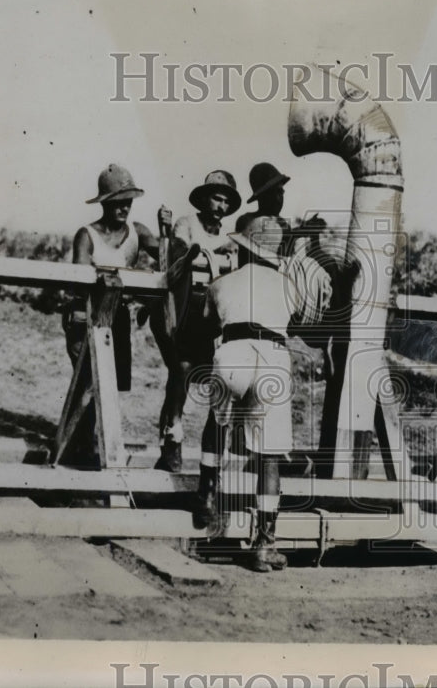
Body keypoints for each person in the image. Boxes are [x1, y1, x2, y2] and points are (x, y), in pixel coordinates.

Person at [194, 215, 323, 572]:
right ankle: (264, 544)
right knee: (268, 457)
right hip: (272, 359)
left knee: (216, 422)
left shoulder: (222, 283)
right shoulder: (288, 285)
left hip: (232, 352)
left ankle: (206, 493)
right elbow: (299, 322)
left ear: (244, 248)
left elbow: (206, 324)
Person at [62, 164, 161, 462]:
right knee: (90, 384)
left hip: (116, 320)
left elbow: (170, 261)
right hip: (85, 317)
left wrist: (166, 232)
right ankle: (75, 452)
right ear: (105, 201)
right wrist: (113, 285)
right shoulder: (87, 235)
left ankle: (84, 449)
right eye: (118, 200)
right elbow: (78, 281)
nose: (125, 206)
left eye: (128, 200)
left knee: (108, 387)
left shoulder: (138, 233)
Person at [151, 170, 240, 471]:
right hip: (180, 311)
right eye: (217, 198)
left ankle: (199, 451)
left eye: (227, 201)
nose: (221, 205)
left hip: (210, 316)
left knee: (215, 376)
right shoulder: (187, 224)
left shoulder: (231, 238)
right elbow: (178, 254)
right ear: (204, 198)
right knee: (182, 369)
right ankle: (172, 440)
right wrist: (212, 252)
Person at [234, 162, 292, 256]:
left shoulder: (284, 226)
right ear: (260, 197)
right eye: (271, 193)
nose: (277, 199)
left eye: (280, 193)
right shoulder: (247, 222)